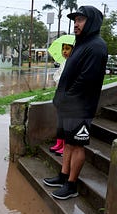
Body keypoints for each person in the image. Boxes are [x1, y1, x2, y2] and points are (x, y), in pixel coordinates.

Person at [43, 6, 108, 200]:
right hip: (68, 105)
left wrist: (67, 98)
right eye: (75, 20)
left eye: (80, 20)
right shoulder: (80, 43)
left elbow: (86, 80)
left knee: (77, 146)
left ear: (92, 22)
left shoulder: (96, 46)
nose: (76, 24)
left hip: (80, 107)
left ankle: (71, 186)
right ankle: (63, 176)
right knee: (68, 144)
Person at [50, 43, 74, 156]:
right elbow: (56, 76)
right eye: (63, 49)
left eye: (67, 49)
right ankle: (59, 143)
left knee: (65, 123)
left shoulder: (73, 63)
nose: (64, 51)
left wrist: (60, 79)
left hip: (67, 98)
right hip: (60, 95)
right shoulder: (63, 63)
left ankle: (65, 145)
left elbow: (63, 79)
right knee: (60, 121)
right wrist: (60, 79)